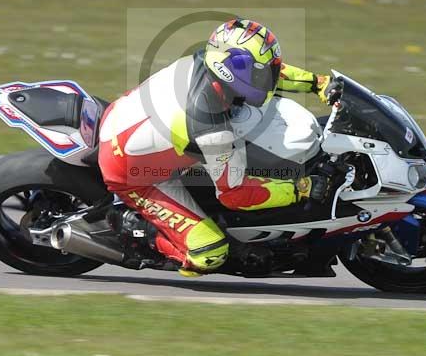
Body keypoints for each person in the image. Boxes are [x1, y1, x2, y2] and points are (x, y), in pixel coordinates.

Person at [97, 18, 333, 276]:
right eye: (258, 72)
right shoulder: (209, 127)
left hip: (127, 120)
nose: (268, 77)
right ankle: (140, 233)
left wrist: (318, 83)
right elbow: (235, 195)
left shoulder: (210, 61)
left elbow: (270, 75)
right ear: (233, 71)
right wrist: (300, 189)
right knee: (210, 252)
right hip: (133, 175)